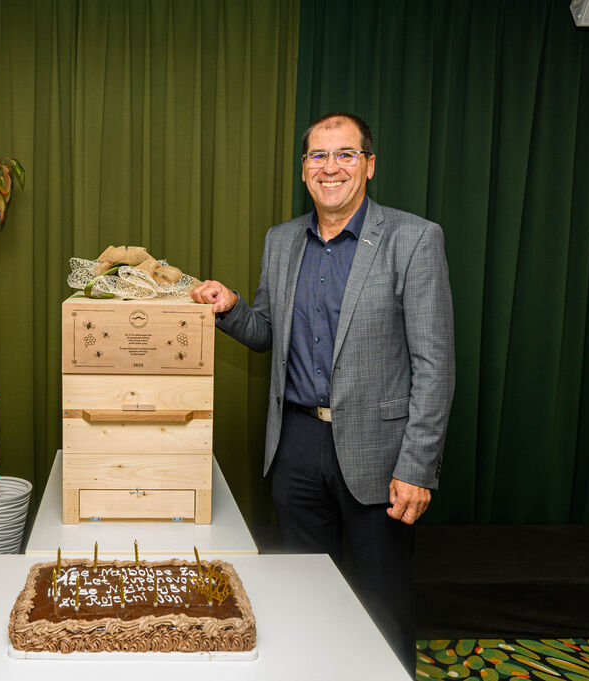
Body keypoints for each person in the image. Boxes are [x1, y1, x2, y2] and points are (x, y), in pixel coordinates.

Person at [191, 112, 454, 675]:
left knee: (382, 604)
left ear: (369, 165)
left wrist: (418, 466)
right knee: (305, 594)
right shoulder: (282, 240)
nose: (331, 167)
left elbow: (435, 365)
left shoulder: (414, 238)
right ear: (304, 168)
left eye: (345, 154)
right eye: (318, 155)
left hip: (380, 456)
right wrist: (231, 308)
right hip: (296, 445)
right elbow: (268, 333)